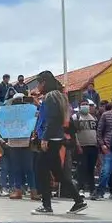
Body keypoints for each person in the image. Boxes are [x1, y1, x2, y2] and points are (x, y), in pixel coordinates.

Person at [32, 71, 88, 214]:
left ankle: (46, 206)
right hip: (56, 139)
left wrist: (44, 138)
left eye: (38, 83)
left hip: (50, 140)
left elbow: (53, 119)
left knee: (41, 171)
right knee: (58, 173)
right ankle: (78, 201)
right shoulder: (58, 96)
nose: (37, 86)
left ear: (43, 82)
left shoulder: (51, 97)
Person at [74, 99, 99, 196]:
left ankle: (92, 190)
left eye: (87, 104)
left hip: (93, 146)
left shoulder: (94, 118)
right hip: (81, 147)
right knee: (82, 168)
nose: (85, 106)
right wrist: (77, 145)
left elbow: (96, 132)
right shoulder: (76, 117)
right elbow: (74, 133)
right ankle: (80, 189)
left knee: (90, 169)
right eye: (83, 105)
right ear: (79, 107)